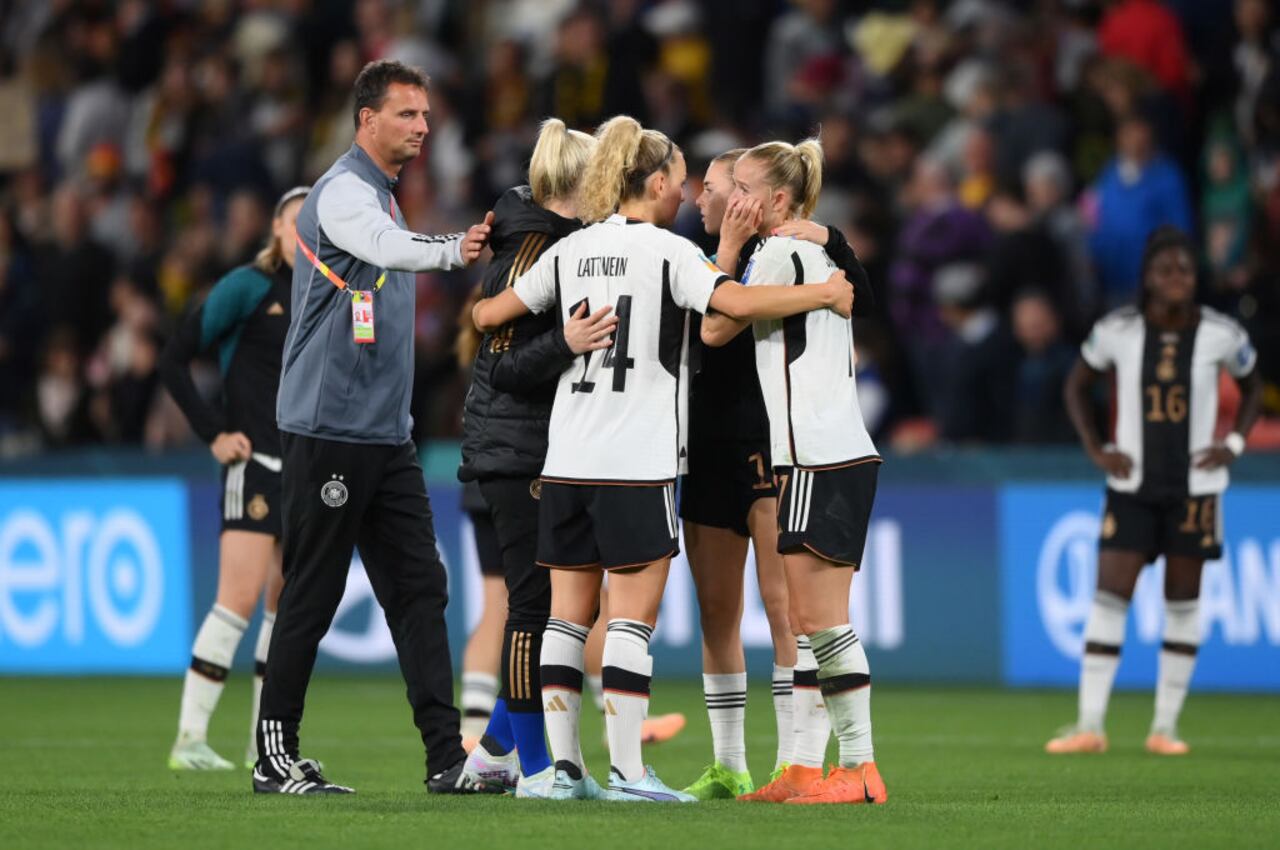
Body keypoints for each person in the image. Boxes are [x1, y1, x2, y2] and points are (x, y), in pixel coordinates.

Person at [472, 114, 853, 803]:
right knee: (629, 622)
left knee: (565, 619)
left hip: (566, 457)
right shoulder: (670, 252)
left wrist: (566, 336)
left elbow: (487, 317)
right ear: (653, 181)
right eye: (679, 182)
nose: (684, 196)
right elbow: (728, 305)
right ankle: (627, 774)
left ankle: (562, 774)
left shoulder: (573, 249)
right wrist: (823, 292)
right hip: (636, 460)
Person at [253, 59, 493, 796]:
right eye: (406, 114)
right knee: (313, 592)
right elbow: (391, 256)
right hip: (328, 428)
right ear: (367, 119)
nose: (422, 127)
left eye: (425, 116)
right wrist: (455, 248)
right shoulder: (343, 195)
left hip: (386, 438)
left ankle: (446, 759)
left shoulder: (382, 198)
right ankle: (273, 756)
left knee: (421, 587)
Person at [680, 147, 874, 800]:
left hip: (808, 452)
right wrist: (830, 270)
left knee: (808, 618)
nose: (722, 199)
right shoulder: (794, 255)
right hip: (805, 450)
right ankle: (812, 769)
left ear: (777, 200)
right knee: (807, 618)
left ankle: (846, 766)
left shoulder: (781, 253)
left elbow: (712, 328)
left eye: (735, 186)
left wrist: (821, 263)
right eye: (718, 188)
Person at [1048, 227, 1262, 756]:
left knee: (1183, 604)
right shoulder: (1118, 329)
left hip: (1197, 488)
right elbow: (1076, 384)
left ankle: (1165, 728)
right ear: (1148, 277)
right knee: (1107, 599)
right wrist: (1097, 448)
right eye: (1166, 270)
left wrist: (1233, 441)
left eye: (1185, 270)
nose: (1177, 279)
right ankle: (1090, 725)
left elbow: (1255, 384)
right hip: (1132, 485)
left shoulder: (1220, 333)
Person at [456, 118, 617, 794]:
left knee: (549, 606)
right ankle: (532, 766)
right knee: (532, 611)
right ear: (579, 184)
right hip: (515, 452)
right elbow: (504, 367)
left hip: (520, 448)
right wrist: (568, 343)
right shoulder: (530, 249)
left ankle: (494, 752)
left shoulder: (540, 239)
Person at [159, 185, 309, 771]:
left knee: (283, 610)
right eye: (295, 221)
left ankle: (259, 748)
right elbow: (173, 356)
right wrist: (213, 433)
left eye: (313, 222)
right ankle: (189, 738)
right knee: (237, 601)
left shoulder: (329, 293)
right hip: (253, 466)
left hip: (303, 472)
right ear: (275, 228)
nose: (304, 232)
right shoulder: (246, 287)